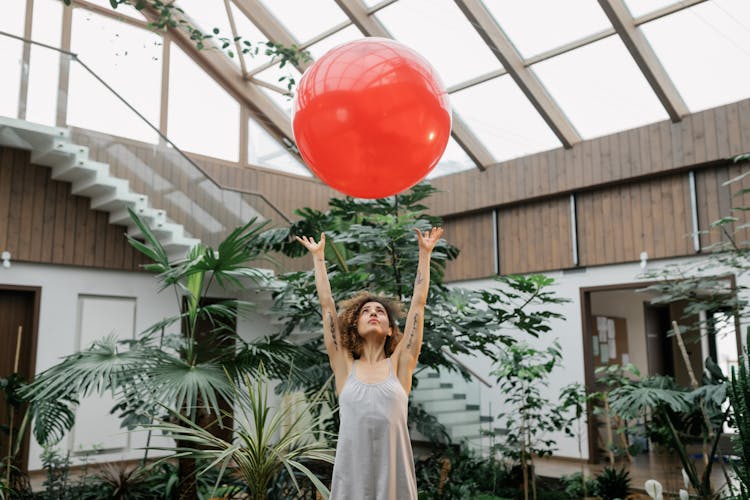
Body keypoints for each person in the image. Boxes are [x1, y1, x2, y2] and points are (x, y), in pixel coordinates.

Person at [295, 226, 444, 500]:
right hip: (352, 484)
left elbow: (418, 306)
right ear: (354, 325)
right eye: (366, 311)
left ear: (389, 329)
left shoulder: (400, 365)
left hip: (394, 486)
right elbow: (327, 306)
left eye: (380, 312)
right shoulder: (344, 366)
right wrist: (318, 257)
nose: (373, 313)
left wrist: (425, 254)